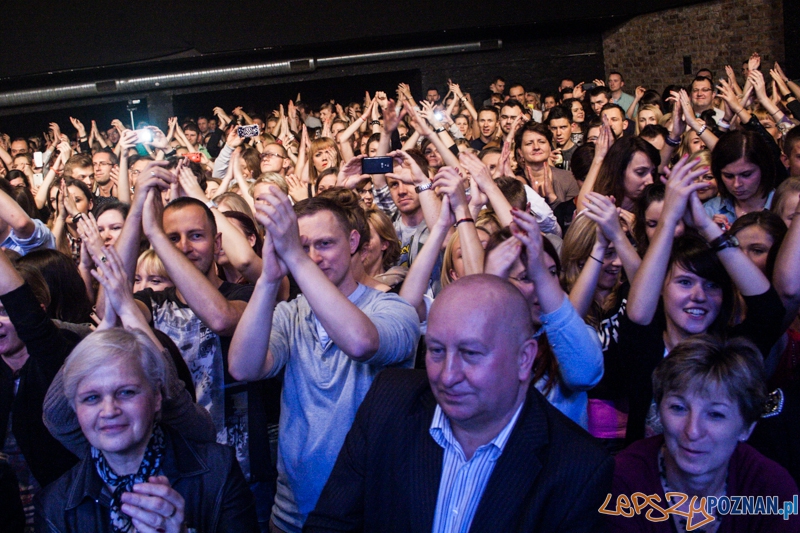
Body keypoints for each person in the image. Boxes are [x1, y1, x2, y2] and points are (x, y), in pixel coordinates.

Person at [305, 275, 613, 532]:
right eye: (436, 351)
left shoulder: (578, 468)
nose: (448, 376)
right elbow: (331, 524)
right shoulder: (389, 403)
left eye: (470, 354)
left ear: (524, 359)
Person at [228, 190, 420, 533]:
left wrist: (296, 259)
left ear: (353, 241)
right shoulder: (291, 313)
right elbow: (243, 367)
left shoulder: (394, 309)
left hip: (367, 514)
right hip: (292, 513)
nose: (313, 257)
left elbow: (362, 343)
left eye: (325, 244)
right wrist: (270, 279)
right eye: (302, 247)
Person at [621, 155, 786, 443]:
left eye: (711, 286)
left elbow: (769, 308)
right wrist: (669, 218)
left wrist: (706, 225)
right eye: (685, 282)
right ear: (662, 288)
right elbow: (637, 313)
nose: (699, 296)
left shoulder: (734, 350)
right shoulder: (645, 344)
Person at [36, 328, 259, 533]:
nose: (109, 410)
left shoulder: (219, 470)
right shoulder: (54, 505)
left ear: (157, 397)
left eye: (126, 392)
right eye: (91, 398)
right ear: (75, 409)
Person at [606, 335, 799, 532]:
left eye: (715, 414)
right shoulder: (623, 479)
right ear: (659, 410)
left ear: (746, 427)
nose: (693, 431)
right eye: (678, 408)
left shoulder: (773, 490)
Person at [703, 130, 776, 227]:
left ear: (764, 168)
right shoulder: (709, 211)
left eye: (746, 174)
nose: (736, 184)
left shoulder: (783, 206)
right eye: (728, 176)